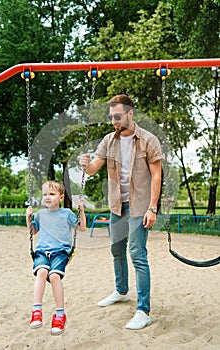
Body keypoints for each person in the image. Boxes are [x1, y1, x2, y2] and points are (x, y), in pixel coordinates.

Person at [80, 94, 162, 330]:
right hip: (118, 204)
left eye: (118, 116)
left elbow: (157, 175)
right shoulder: (108, 141)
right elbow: (95, 168)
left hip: (140, 205)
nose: (114, 121)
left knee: (137, 253)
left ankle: (143, 310)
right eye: (111, 117)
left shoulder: (148, 140)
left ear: (130, 113)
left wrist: (152, 207)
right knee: (116, 249)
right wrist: (86, 164)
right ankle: (122, 290)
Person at [26, 180, 86, 335]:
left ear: (60, 197)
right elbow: (33, 232)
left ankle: (60, 315)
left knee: (54, 276)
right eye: (45, 194)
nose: (47, 197)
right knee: (41, 272)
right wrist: (28, 218)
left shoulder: (66, 213)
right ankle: (36, 310)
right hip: (41, 251)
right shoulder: (40, 214)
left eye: (52, 194)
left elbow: (82, 228)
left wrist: (82, 211)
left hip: (60, 252)